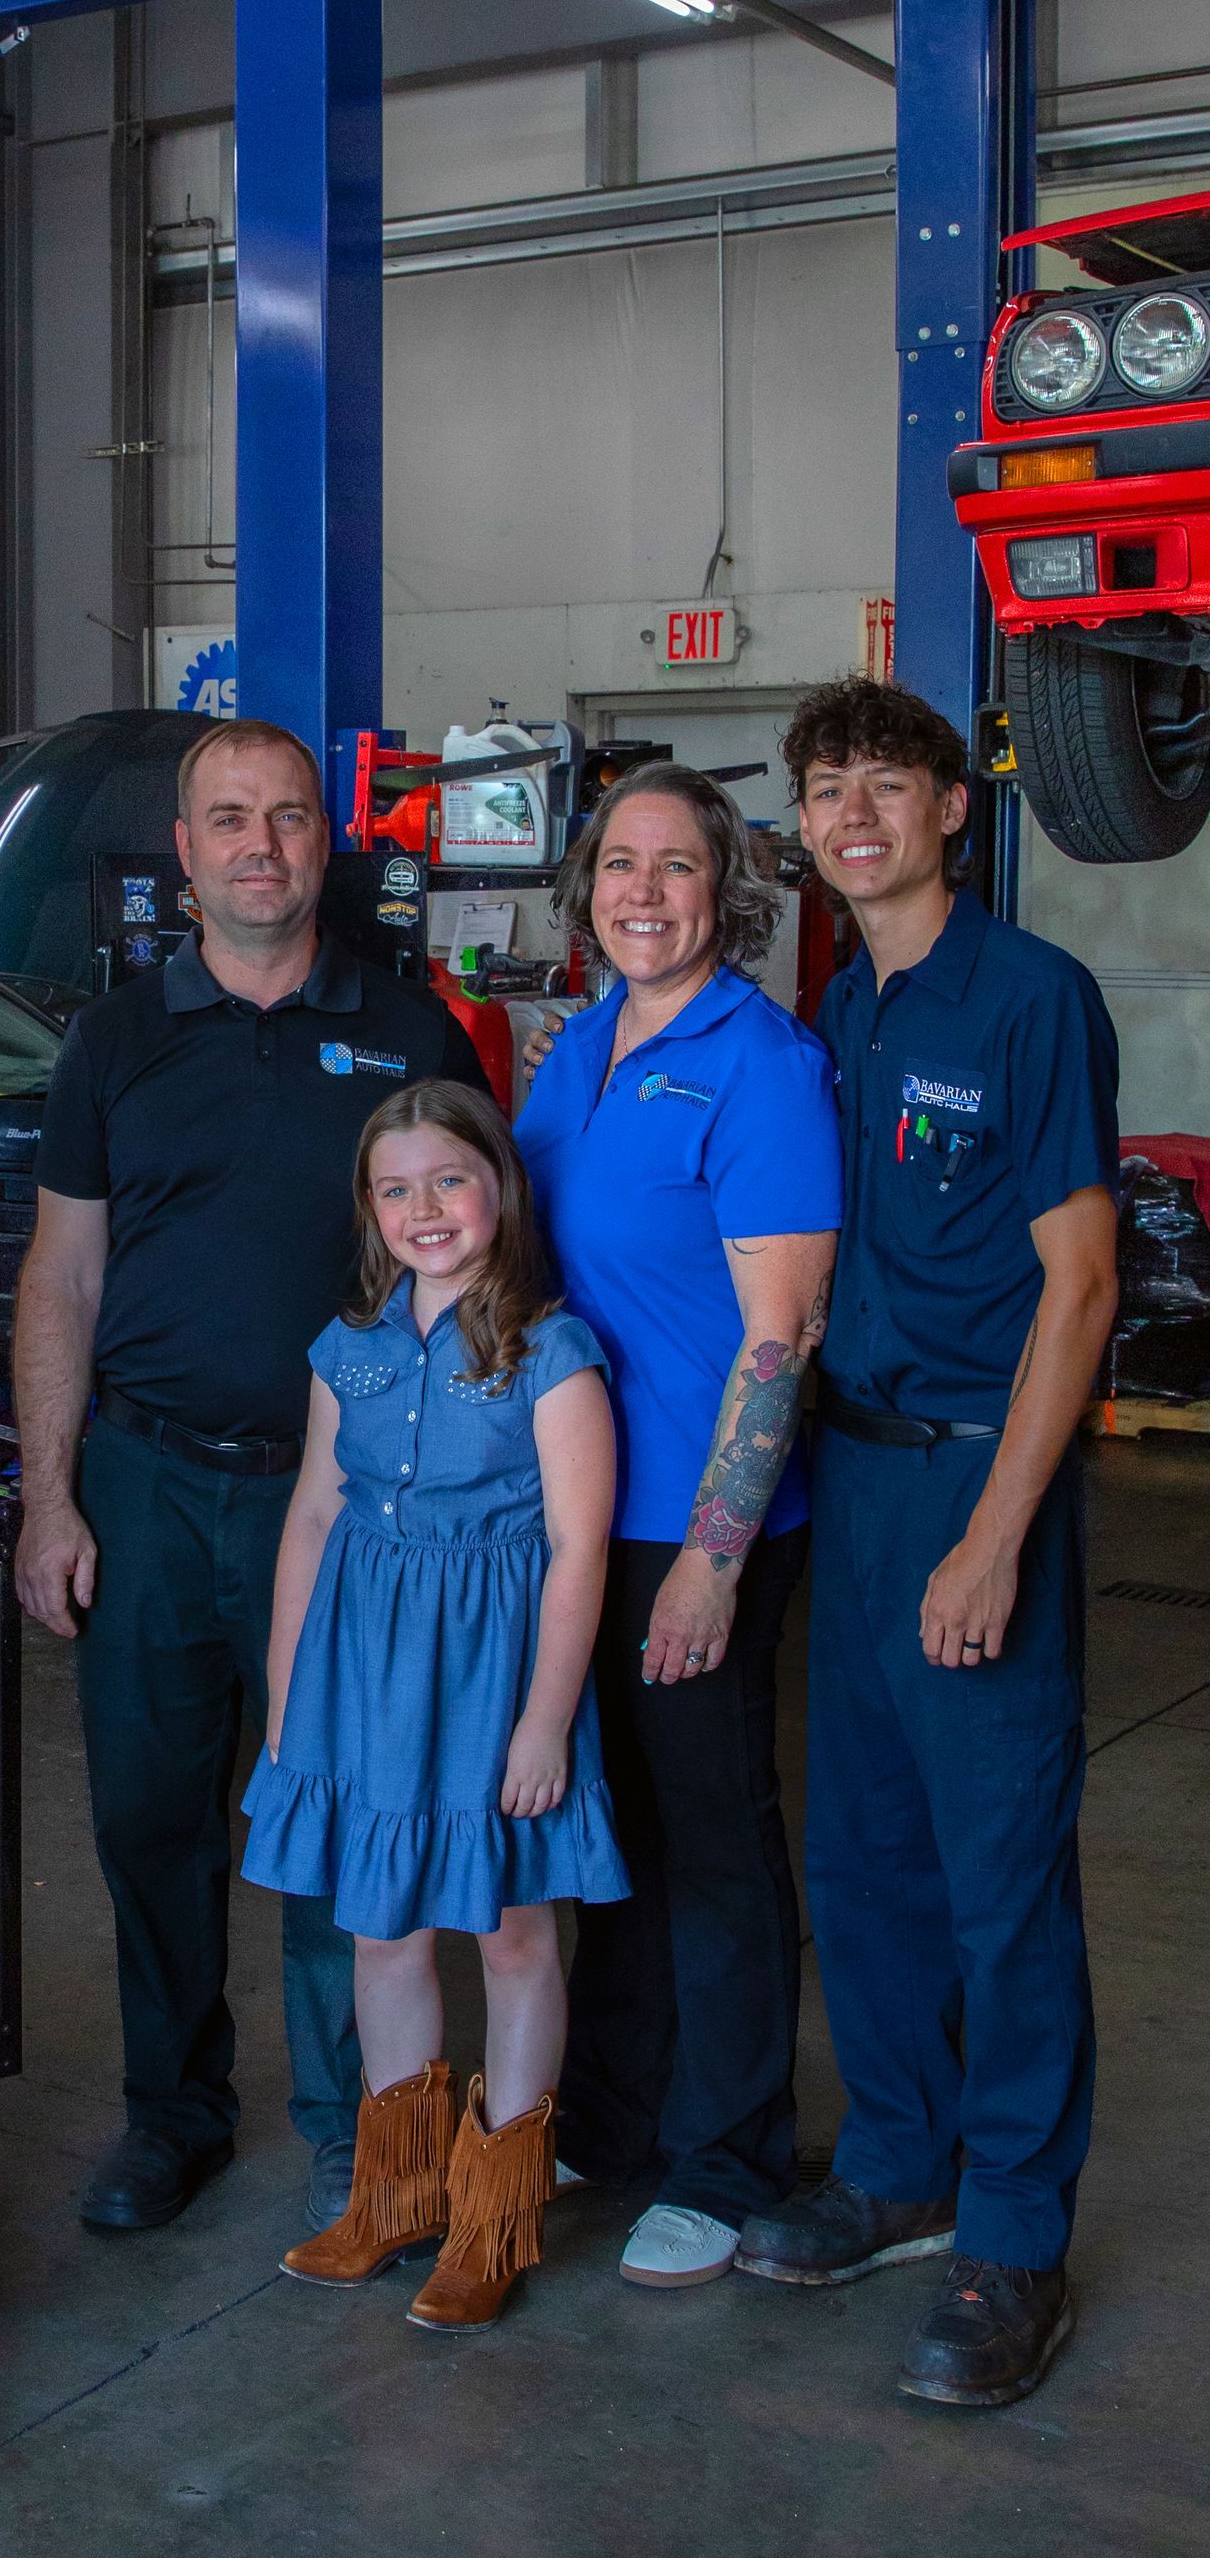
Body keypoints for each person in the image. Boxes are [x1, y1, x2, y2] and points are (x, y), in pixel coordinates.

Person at [14, 718, 489, 2240]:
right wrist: (49, 1498)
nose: (261, 848)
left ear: (321, 843)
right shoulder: (115, 1039)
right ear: (187, 850)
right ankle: (175, 2118)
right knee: (152, 1824)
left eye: (288, 820)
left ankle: (357, 2129)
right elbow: (61, 1278)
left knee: (335, 1821)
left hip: (350, 1504)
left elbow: (488, 1273)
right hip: (147, 1487)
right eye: (230, 820)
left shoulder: (415, 1033)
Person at [735, 677, 1118, 2411]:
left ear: (956, 808)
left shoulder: (1032, 999)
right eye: (826, 788)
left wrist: (996, 1537)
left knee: (999, 1877)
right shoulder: (843, 1010)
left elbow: (1083, 1284)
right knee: (870, 1859)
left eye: (886, 782)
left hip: (976, 1482)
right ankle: (898, 2164)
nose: (854, 812)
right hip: (859, 1483)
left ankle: (1015, 2239)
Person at [515, 762, 841, 2289]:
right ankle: (614, 2109)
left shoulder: (759, 1062)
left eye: (678, 868)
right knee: (617, 1830)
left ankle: (728, 2156)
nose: (645, 892)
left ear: (729, 893)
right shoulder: (571, 1052)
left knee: (712, 1836)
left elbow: (782, 1329)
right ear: (584, 890)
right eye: (621, 866)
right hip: (581, 1518)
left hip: (701, 1518)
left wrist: (714, 1554)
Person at [243, 1081, 624, 2330]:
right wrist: (290, 1695)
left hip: (495, 1678)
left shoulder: (550, 1352)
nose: (425, 1209)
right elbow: (312, 1516)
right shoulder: (343, 1347)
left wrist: (545, 1722)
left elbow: (579, 1549)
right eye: (395, 1188)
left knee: (513, 1935)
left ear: (499, 1189)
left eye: (449, 1180)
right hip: (364, 1674)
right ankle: (397, 2196)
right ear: (368, 1207)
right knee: (380, 1931)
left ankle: (496, 2218)